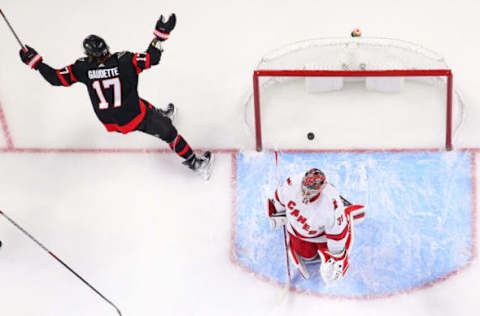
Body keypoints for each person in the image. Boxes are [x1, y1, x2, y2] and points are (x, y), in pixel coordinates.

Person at [18, 13, 213, 179]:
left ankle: (160, 115)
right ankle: (195, 163)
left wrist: (36, 63)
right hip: (133, 117)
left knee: (137, 102)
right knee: (170, 133)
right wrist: (160, 35)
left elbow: (55, 78)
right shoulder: (125, 61)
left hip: (109, 120)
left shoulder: (82, 68)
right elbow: (153, 58)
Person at [267, 168, 366, 282]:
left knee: (326, 258)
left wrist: (337, 256)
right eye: (305, 188)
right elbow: (279, 198)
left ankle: (346, 213)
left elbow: (337, 234)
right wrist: (277, 212)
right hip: (297, 231)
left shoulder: (330, 204)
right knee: (308, 257)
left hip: (321, 236)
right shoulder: (291, 184)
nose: (306, 193)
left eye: (311, 191)